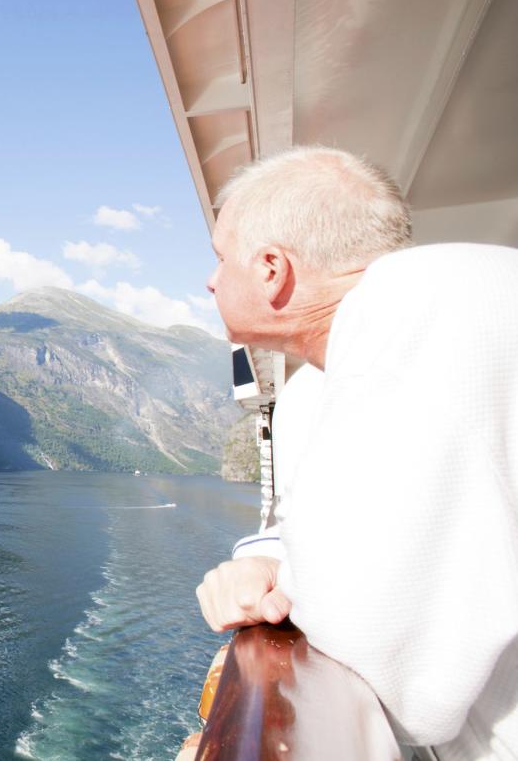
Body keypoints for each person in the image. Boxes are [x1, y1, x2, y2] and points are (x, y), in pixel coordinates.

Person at [195, 146, 518, 759]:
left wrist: (278, 585)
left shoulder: (396, 333)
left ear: (271, 269)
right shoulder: (351, 357)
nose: (210, 280)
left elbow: (400, 664)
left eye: (218, 257)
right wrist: (271, 559)